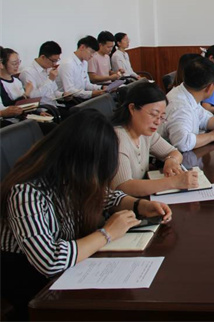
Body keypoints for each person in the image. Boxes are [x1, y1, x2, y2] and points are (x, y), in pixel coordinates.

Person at [0, 110, 173, 318]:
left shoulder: (70, 174)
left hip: (71, 265)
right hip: (31, 280)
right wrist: (107, 233)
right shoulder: (27, 193)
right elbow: (49, 261)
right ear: (81, 160)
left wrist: (139, 205)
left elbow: (106, 196)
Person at [111, 83, 198, 196]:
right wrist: (173, 182)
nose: (158, 122)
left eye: (161, 117)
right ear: (132, 108)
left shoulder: (145, 133)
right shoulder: (117, 139)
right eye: (153, 114)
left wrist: (171, 160)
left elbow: (174, 152)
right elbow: (124, 187)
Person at [57, 35, 105, 101]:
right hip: (69, 101)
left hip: (80, 97)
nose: (92, 55)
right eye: (91, 52)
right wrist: (91, 93)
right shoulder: (68, 64)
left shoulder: (84, 63)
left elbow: (86, 85)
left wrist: (101, 87)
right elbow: (70, 91)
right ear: (82, 47)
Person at [19, 41, 64, 106]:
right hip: (43, 109)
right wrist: (50, 80)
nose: (55, 64)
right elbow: (32, 97)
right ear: (43, 57)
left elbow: (54, 92)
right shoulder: (27, 72)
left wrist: (62, 95)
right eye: (53, 61)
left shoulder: (49, 68)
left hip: (55, 105)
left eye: (57, 60)